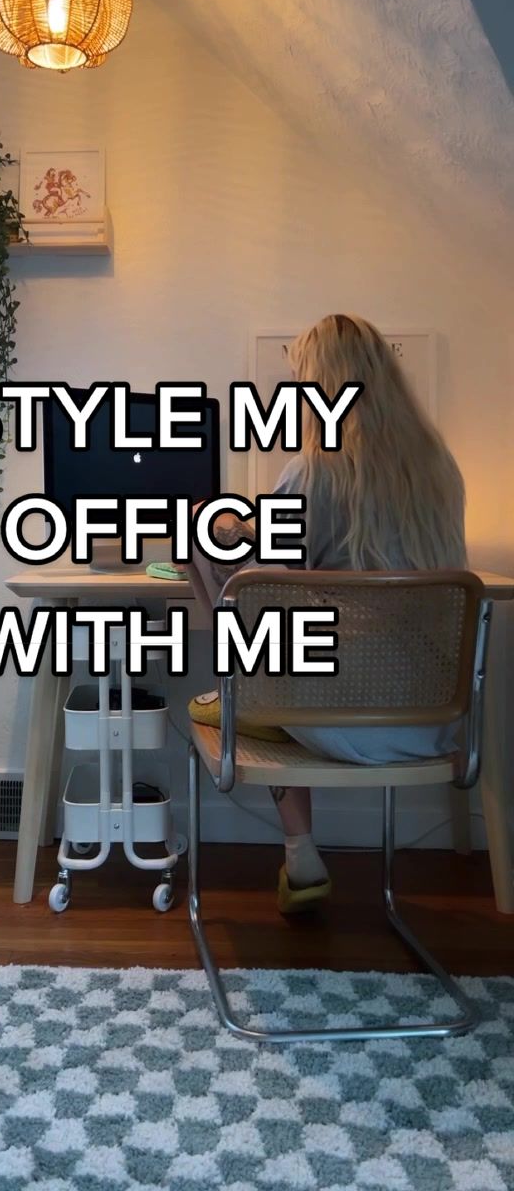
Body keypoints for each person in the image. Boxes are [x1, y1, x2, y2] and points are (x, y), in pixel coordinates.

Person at [188, 313, 466, 913]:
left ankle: (300, 850)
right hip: (433, 722)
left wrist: (220, 528)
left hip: (345, 719)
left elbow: (266, 584)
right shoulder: (441, 471)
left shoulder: (314, 470)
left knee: (219, 571)